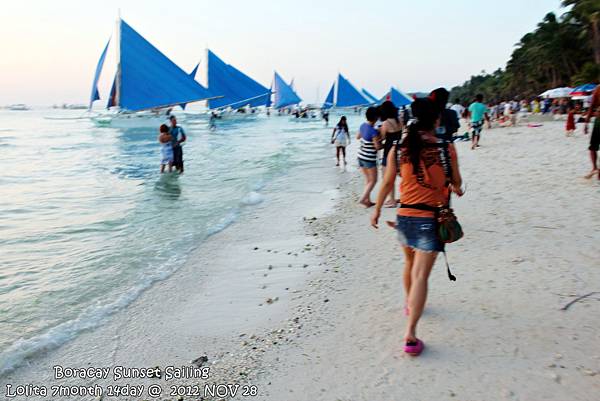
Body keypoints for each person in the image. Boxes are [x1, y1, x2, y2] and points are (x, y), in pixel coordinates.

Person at [371, 98, 463, 356]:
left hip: (404, 215)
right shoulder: (446, 147)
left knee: (409, 266)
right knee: (421, 275)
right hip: (430, 218)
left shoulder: (399, 147)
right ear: (436, 120)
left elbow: (388, 183)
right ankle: (410, 335)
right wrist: (452, 185)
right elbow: (456, 181)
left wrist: (377, 210)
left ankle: (410, 304)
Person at [379, 101, 404, 207]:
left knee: (387, 177)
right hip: (399, 150)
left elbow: (382, 137)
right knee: (399, 174)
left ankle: (392, 200)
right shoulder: (399, 120)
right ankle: (402, 197)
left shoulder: (385, 123)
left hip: (388, 152)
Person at [357, 107, 381, 207]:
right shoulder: (373, 131)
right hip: (369, 158)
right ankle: (362, 199)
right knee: (373, 180)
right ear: (376, 118)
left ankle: (368, 201)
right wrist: (381, 142)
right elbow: (377, 147)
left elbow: (358, 137)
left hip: (360, 156)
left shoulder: (362, 125)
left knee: (368, 180)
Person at [584, 85, 600, 179]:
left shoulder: (598, 89)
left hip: (599, 120)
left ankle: (595, 168)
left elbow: (592, 106)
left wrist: (586, 122)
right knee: (593, 147)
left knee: (593, 147)